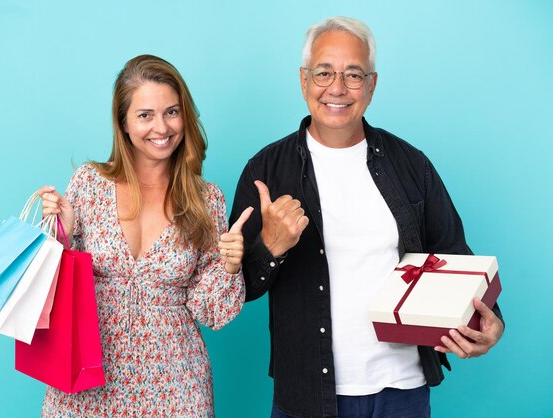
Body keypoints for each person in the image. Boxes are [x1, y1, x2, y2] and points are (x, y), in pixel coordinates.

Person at [229, 16, 504, 418]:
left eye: (353, 75)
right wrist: (271, 245)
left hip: (403, 392)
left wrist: (492, 321)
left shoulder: (412, 166)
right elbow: (236, 290)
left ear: (372, 86)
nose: (337, 88)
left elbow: (456, 256)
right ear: (303, 80)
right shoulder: (266, 170)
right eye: (323, 72)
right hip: (306, 393)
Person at [38, 54, 253, 417]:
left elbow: (210, 312)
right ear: (123, 123)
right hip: (87, 377)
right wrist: (64, 235)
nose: (162, 127)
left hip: (175, 384)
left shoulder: (206, 199)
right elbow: (54, 291)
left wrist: (229, 267)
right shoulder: (90, 183)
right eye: (145, 115)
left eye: (171, 112)